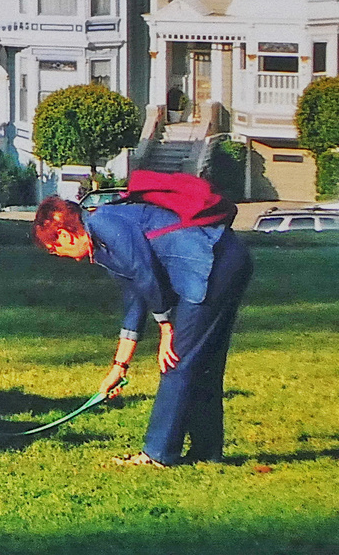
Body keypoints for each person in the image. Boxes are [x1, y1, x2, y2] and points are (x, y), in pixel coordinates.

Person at [33, 191, 252, 468]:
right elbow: (135, 299)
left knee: (176, 361)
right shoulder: (102, 246)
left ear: (64, 235)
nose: (65, 257)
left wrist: (165, 327)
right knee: (202, 364)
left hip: (211, 263)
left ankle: (158, 453)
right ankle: (206, 452)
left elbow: (145, 272)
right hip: (224, 259)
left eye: (56, 250)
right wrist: (119, 366)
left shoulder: (105, 224)